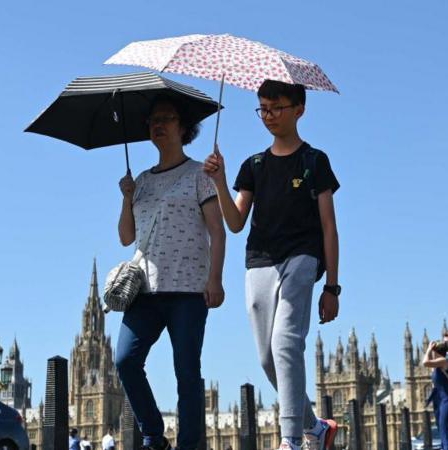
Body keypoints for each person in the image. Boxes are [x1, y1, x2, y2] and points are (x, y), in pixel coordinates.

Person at [203, 80, 340, 450]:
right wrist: (218, 181)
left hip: (302, 258)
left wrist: (332, 287)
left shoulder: (315, 161)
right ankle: (316, 426)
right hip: (260, 260)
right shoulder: (254, 166)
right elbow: (234, 223)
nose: (268, 115)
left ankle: (291, 439)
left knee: (286, 341)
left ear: (299, 110)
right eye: (263, 108)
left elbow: (329, 227)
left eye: (276, 107)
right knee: (268, 357)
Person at [115, 95, 226, 450]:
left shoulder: (199, 175)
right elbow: (125, 236)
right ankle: (153, 435)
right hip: (145, 288)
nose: (157, 125)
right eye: (152, 121)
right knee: (125, 360)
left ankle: (190, 445)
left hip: (188, 288)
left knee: (186, 373)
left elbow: (218, 230)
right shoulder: (143, 181)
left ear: (184, 127)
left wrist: (215, 279)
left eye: (166, 119)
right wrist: (126, 196)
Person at [425, 340, 448, 450]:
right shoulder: (437, 366)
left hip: (447, 399)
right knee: (441, 427)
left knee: (445, 427)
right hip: (438, 400)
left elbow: (425, 362)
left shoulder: (443, 361)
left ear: (436, 351)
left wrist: (429, 349)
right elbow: (428, 363)